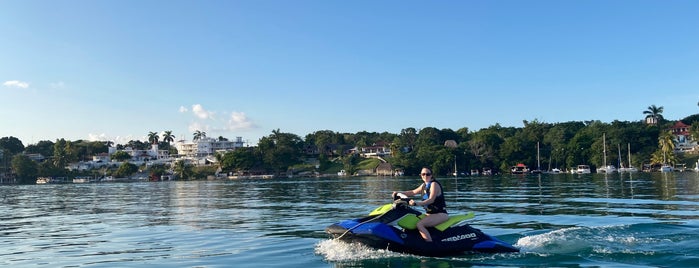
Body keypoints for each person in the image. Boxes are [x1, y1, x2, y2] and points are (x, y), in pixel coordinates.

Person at [392, 167, 448, 242]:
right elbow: (413, 192)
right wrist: (399, 193)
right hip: (429, 214)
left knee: (420, 225)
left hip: (440, 214)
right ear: (420, 175)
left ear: (431, 175)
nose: (425, 176)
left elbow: (431, 200)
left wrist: (417, 203)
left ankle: (430, 245)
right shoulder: (424, 185)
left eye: (428, 174)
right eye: (423, 174)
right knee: (411, 222)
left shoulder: (434, 184)